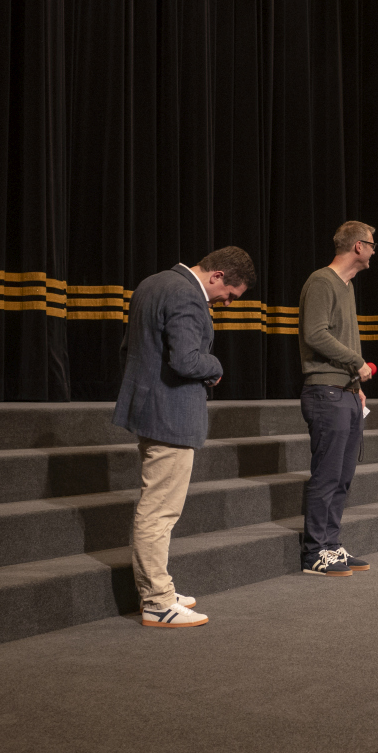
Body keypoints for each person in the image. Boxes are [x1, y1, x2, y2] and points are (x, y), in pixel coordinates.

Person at [113, 246, 256, 626]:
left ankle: (159, 587)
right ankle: (157, 602)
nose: (227, 303)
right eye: (229, 294)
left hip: (150, 408)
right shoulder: (187, 295)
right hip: (170, 415)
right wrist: (216, 366)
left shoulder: (152, 283)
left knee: (157, 508)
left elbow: (130, 349)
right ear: (217, 276)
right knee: (159, 511)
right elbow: (187, 360)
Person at [297, 221, 378, 576]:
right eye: (372, 244)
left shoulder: (347, 286)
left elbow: (345, 338)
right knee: (327, 476)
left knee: (343, 476)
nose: (374, 251)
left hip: (346, 392)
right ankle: (314, 552)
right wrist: (356, 362)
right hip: (325, 392)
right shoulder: (322, 281)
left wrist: (357, 386)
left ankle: (331, 545)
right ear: (358, 246)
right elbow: (315, 334)